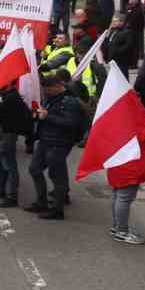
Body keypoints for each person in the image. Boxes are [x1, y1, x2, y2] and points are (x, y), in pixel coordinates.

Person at [29, 72, 84, 218]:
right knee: (34, 169)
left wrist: (47, 117)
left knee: (57, 176)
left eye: (48, 89)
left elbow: (71, 123)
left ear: (58, 86)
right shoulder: (50, 98)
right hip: (45, 140)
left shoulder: (69, 102)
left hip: (59, 143)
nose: (46, 92)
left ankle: (57, 209)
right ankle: (42, 202)